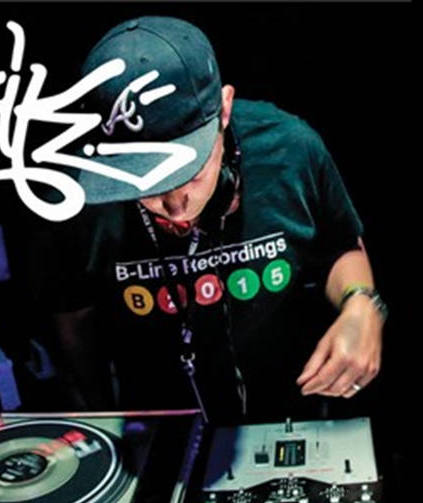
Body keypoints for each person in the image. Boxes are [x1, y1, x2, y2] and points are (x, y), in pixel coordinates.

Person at [35, 16, 387, 424]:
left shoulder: (290, 148)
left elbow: (340, 245)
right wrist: (99, 418)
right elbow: (73, 311)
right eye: (145, 184)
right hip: (157, 419)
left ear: (224, 109)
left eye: (190, 173)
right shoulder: (75, 195)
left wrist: (361, 304)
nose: (175, 206)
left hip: (289, 405)